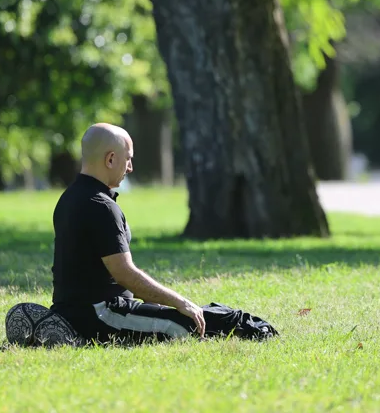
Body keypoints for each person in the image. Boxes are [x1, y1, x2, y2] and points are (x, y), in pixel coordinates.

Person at [49, 122, 277, 344]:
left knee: (206, 313)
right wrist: (180, 302)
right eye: (128, 159)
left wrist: (167, 304)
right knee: (188, 326)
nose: (130, 168)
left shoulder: (69, 198)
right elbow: (125, 274)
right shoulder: (100, 205)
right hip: (100, 316)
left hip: (78, 311)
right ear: (110, 159)